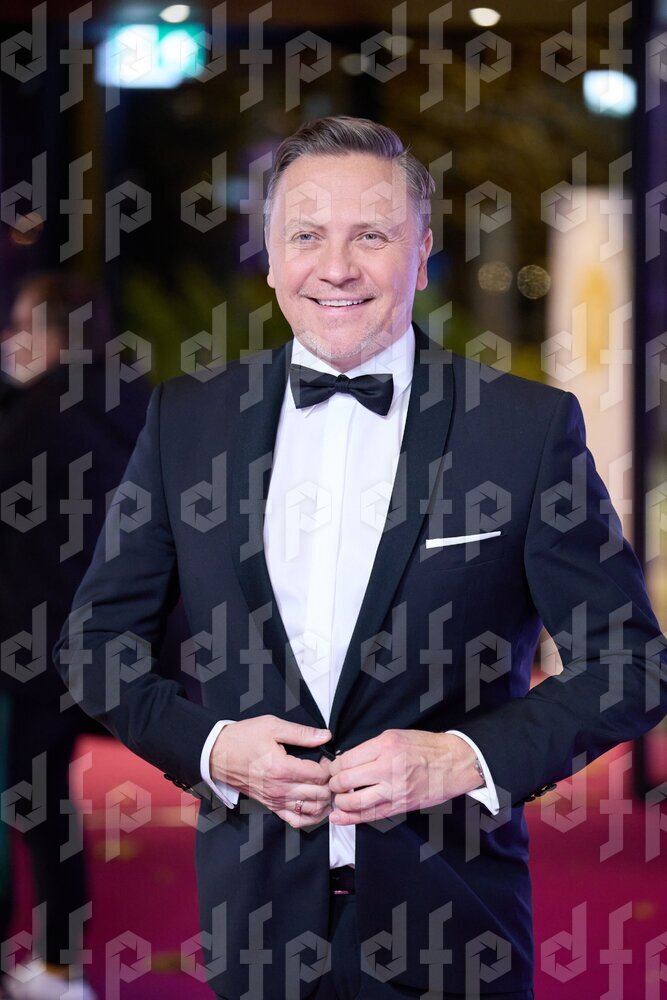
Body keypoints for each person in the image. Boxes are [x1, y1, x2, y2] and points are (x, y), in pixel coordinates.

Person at [54, 118, 666, 1000]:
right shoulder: (188, 421)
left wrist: (462, 758)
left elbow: (630, 666)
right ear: (271, 258)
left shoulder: (522, 430)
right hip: (255, 931)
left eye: (370, 235)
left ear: (420, 255)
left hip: (455, 928)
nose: (335, 267)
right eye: (306, 235)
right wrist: (214, 748)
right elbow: (95, 642)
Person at [0, 273, 149, 1000]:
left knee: (32, 804)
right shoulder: (143, 405)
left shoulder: (32, 417)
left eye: (21, 324)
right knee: (45, 804)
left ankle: (57, 964)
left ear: (50, 332)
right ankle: (62, 964)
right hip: (114, 643)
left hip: (28, 649)